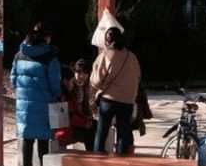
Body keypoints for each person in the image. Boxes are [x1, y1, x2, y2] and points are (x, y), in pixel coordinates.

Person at [10, 21, 60, 166]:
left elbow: (13, 79)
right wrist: (56, 95)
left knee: (28, 137)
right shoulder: (50, 58)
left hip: (23, 103)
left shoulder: (19, 55)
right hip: (43, 103)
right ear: (46, 38)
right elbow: (54, 83)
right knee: (43, 138)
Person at [90, 26, 141, 155]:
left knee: (102, 132)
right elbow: (138, 77)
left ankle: (98, 161)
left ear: (107, 41)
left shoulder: (106, 55)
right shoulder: (132, 57)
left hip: (109, 100)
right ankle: (120, 163)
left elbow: (95, 81)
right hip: (128, 101)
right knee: (123, 133)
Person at [54, 66, 95, 150]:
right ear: (65, 81)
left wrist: (86, 119)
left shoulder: (69, 94)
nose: (73, 85)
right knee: (89, 133)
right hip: (63, 130)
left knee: (94, 126)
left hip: (70, 126)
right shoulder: (61, 97)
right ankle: (93, 152)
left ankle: (95, 151)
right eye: (72, 82)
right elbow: (68, 117)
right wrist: (84, 123)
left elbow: (76, 111)